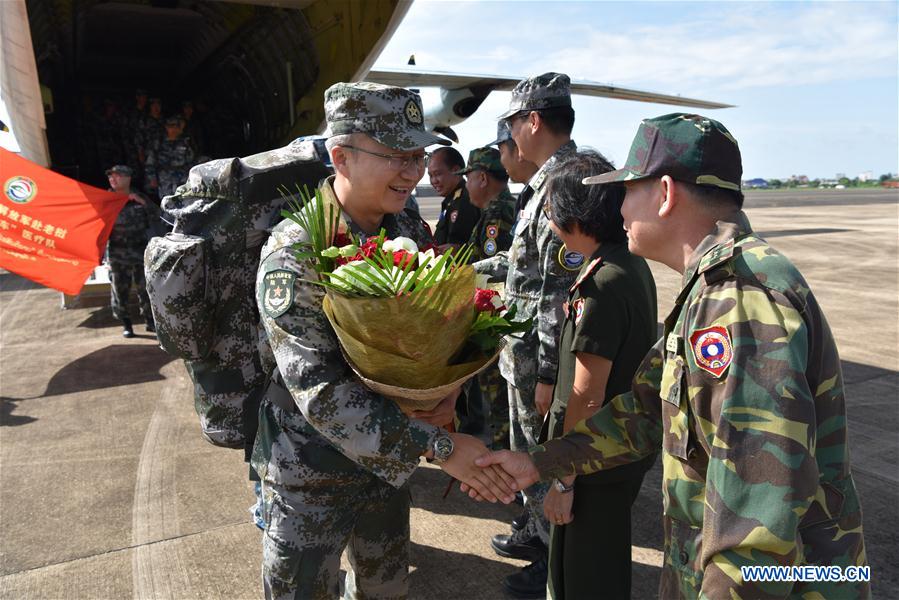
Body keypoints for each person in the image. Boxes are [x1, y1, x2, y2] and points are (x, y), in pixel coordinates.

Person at [471, 113, 870, 599]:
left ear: (664, 193)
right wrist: (541, 462)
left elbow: (756, 532)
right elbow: (644, 411)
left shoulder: (740, 304)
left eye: (627, 190)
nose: (617, 206)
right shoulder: (711, 286)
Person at [252, 82, 516, 599]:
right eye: (395, 155)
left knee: (387, 591)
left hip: (383, 472)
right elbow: (320, 391)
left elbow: (436, 323)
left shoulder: (407, 226)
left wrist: (445, 393)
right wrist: (440, 446)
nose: (413, 171)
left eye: (418, 155)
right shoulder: (295, 252)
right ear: (340, 157)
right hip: (310, 475)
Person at [475, 72, 583, 598]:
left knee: (543, 460)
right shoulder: (545, 184)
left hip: (538, 365)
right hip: (522, 359)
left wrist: (546, 372)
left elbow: (561, 296)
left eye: (514, 124)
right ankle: (535, 537)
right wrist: (468, 268)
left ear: (533, 121)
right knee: (527, 455)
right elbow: (527, 269)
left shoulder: (565, 186)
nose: (511, 138)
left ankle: (550, 567)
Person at [539, 150, 658, 599]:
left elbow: (587, 396)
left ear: (574, 213)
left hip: (592, 461)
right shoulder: (627, 264)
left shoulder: (602, 282)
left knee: (587, 576)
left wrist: (562, 480)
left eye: (552, 208)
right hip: (616, 451)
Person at [457, 146, 517, 445]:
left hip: (496, 317)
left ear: (481, 178)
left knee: (497, 396)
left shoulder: (497, 213)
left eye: (467, 177)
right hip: (495, 315)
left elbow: (497, 268)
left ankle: (501, 456)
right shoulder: (501, 209)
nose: (465, 184)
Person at [104, 165, 159, 338]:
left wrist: (143, 203)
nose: (113, 179)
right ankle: (126, 323)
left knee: (146, 289)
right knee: (120, 290)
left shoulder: (140, 197)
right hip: (117, 253)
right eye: (110, 176)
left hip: (140, 250)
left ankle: (150, 322)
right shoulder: (105, 200)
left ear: (128, 178)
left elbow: (158, 216)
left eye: (118, 176)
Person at [428, 147, 480, 248]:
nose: (434, 181)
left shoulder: (465, 200)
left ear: (456, 171)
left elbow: (459, 246)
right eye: (430, 175)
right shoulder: (451, 201)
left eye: (438, 174)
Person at [145, 116, 196, 203]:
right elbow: (151, 162)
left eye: (176, 126)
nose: (173, 129)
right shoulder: (158, 143)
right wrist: (152, 178)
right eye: (171, 126)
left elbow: (191, 161)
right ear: (166, 127)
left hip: (181, 179)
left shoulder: (185, 142)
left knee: (182, 203)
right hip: (164, 179)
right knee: (166, 203)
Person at [488, 121, 539, 208]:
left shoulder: (548, 192)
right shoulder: (528, 195)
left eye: (502, 152)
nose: (501, 161)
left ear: (518, 151)